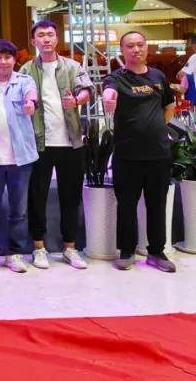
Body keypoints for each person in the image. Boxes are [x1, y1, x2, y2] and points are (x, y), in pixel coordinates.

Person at [20, 20, 94, 270]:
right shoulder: (26, 69)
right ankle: (39, 248)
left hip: (71, 142)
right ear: (34, 41)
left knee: (70, 197)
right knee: (37, 196)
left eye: (50, 34)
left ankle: (70, 248)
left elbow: (86, 90)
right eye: (41, 35)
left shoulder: (72, 66)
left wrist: (77, 101)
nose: (46, 39)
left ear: (57, 38)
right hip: (39, 143)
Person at [104, 32, 176, 273]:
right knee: (127, 205)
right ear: (122, 51)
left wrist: (157, 129)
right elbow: (109, 92)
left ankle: (156, 252)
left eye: (140, 45)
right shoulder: (116, 77)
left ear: (147, 47)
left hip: (158, 154)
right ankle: (127, 251)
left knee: (157, 204)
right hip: (127, 155)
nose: (136, 49)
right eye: (130, 46)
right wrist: (108, 99)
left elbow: (169, 106)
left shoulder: (158, 76)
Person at [0, 40, 39, 274]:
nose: (3, 62)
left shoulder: (24, 81)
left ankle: (15, 254)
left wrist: (30, 104)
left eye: (7, 57)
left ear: (14, 60)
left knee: (19, 211)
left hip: (20, 158)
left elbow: (31, 95)